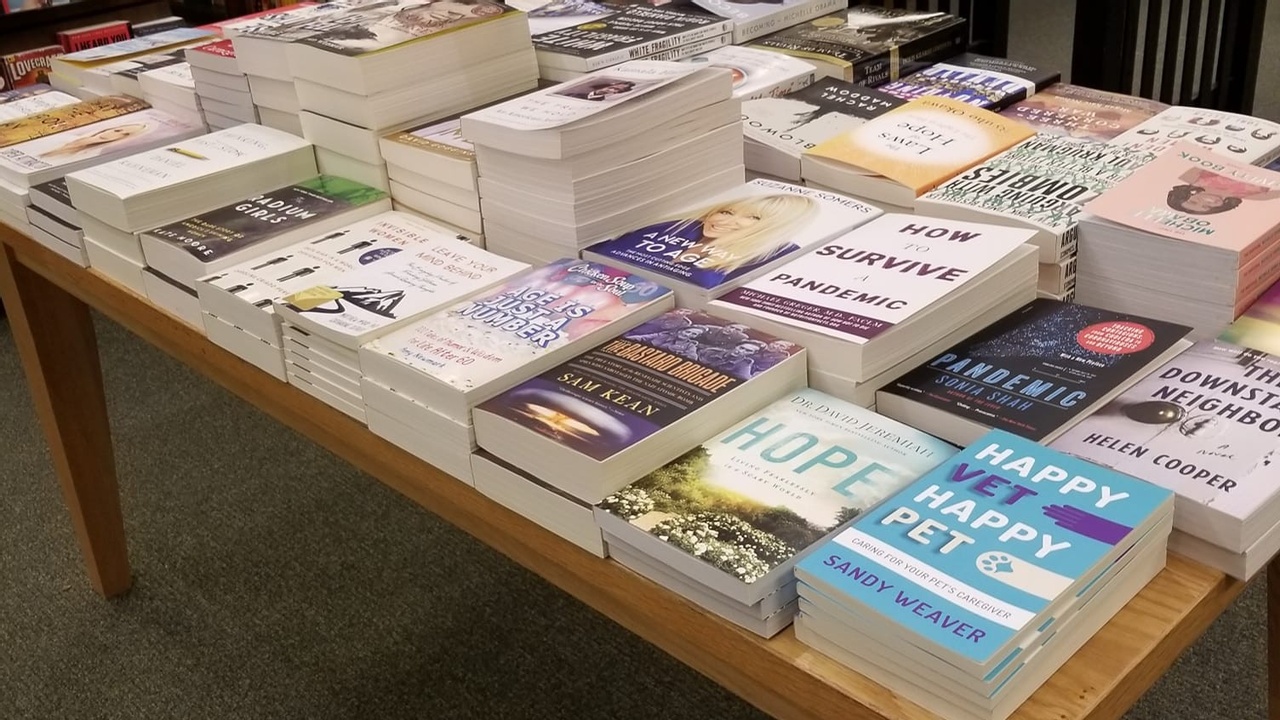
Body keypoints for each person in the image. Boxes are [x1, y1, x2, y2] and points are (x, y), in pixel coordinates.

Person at [594, 194, 818, 287]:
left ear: (773, 227)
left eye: (753, 218)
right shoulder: (677, 227)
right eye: (726, 212)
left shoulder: (775, 256)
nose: (726, 221)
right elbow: (602, 253)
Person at [1166, 167, 1280, 215]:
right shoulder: (1253, 197)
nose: (1209, 203)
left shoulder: (1193, 178)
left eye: (1193, 202)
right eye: (1207, 207)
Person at [38, 123, 149, 159]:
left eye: (124, 135)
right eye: (117, 130)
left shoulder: (88, 157)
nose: (114, 135)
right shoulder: (61, 137)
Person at [559, 79, 636, 101]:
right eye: (614, 87)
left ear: (616, 93)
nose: (611, 89)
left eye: (616, 90)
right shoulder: (581, 89)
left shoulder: (598, 101)